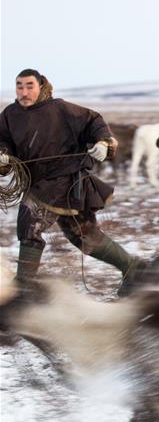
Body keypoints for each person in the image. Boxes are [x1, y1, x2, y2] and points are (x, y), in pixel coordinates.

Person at [0, 68, 145, 293]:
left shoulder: (60, 108)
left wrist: (103, 143)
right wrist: (3, 155)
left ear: (41, 87)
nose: (24, 91)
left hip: (66, 180)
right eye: (19, 86)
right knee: (84, 236)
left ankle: (23, 290)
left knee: (30, 222)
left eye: (30, 86)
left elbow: (93, 121)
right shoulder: (10, 114)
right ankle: (133, 267)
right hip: (38, 181)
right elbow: (4, 141)